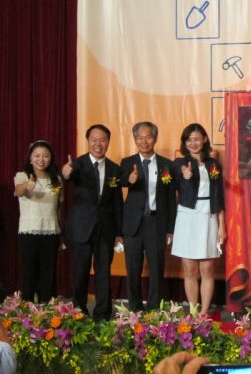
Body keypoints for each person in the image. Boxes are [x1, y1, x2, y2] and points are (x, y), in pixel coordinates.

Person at [62, 124, 123, 321]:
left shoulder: (115, 169)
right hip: (81, 228)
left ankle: (103, 315)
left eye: (102, 140)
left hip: (106, 230)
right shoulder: (76, 165)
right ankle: (78, 313)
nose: (98, 144)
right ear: (88, 141)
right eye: (94, 140)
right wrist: (65, 174)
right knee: (79, 272)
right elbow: (66, 178)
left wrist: (119, 232)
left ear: (108, 142)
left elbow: (117, 202)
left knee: (103, 273)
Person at [120, 122, 176, 311]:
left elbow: (170, 199)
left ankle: (154, 310)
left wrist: (170, 229)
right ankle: (134, 309)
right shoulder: (127, 163)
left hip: (156, 223)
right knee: (133, 270)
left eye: (148, 137)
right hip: (133, 225)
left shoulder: (166, 164)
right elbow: (122, 185)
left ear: (155, 138)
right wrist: (130, 179)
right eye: (139, 137)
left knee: (156, 269)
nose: (144, 141)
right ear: (135, 139)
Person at [171, 123, 226, 315]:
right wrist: (184, 175)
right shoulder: (179, 163)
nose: (193, 143)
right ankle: (193, 312)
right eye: (189, 140)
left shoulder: (214, 165)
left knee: (208, 269)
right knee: (189, 270)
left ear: (204, 139)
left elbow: (219, 196)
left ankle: (204, 312)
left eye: (196, 138)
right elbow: (173, 180)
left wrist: (222, 226)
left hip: (209, 215)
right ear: (184, 143)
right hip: (187, 217)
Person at [13, 140, 63, 303]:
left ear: (51, 158)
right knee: (29, 273)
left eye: (45, 156)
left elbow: (57, 207)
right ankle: (27, 312)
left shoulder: (56, 179)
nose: (41, 159)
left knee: (48, 274)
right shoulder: (22, 175)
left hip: (51, 232)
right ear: (30, 158)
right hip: (29, 232)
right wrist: (28, 185)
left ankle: (46, 311)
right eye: (37, 156)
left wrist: (61, 232)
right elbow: (18, 192)